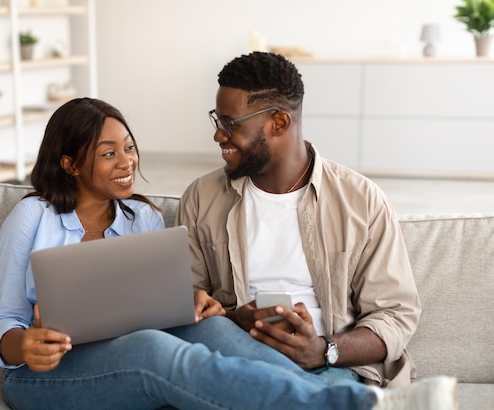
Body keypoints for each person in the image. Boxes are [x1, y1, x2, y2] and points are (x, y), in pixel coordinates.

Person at [0, 97, 456, 410]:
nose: (127, 161)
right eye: (108, 153)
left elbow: (158, 313)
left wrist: (197, 303)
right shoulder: (32, 217)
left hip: (125, 356)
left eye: (129, 147)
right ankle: (351, 409)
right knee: (154, 351)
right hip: (45, 377)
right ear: (69, 163)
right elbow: (4, 321)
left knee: (208, 327)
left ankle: (357, 396)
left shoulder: (144, 221)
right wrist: (21, 345)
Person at [177, 50, 429, 388]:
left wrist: (324, 350)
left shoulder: (362, 201)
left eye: (230, 124)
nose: (219, 136)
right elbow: (186, 302)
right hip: (234, 357)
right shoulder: (201, 197)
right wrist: (234, 318)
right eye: (217, 121)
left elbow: (396, 315)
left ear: (279, 122)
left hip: (331, 369)